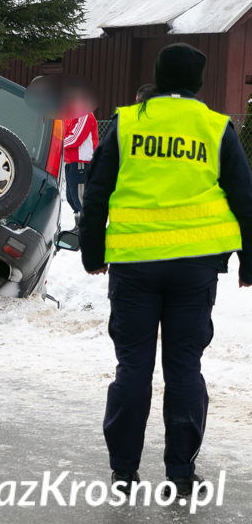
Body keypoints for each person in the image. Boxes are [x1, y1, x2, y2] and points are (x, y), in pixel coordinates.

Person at [80, 43, 252, 497]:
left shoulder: (129, 123)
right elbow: (245, 197)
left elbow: (97, 191)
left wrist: (93, 253)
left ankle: (123, 472)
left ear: (157, 78)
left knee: (133, 365)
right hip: (194, 269)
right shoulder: (216, 128)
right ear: (198, 82)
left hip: (135, 267)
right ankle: (180, 472)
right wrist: (249, 262)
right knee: (184, 367)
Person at [63, 107, 99, 229]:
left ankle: (90, 230)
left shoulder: (85, 114)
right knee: (71, 198)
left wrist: (57, 143)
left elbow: (75, 138)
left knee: (81, 199)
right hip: (71, 162)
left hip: (81, 163)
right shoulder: (70, 114)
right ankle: (78, 227)